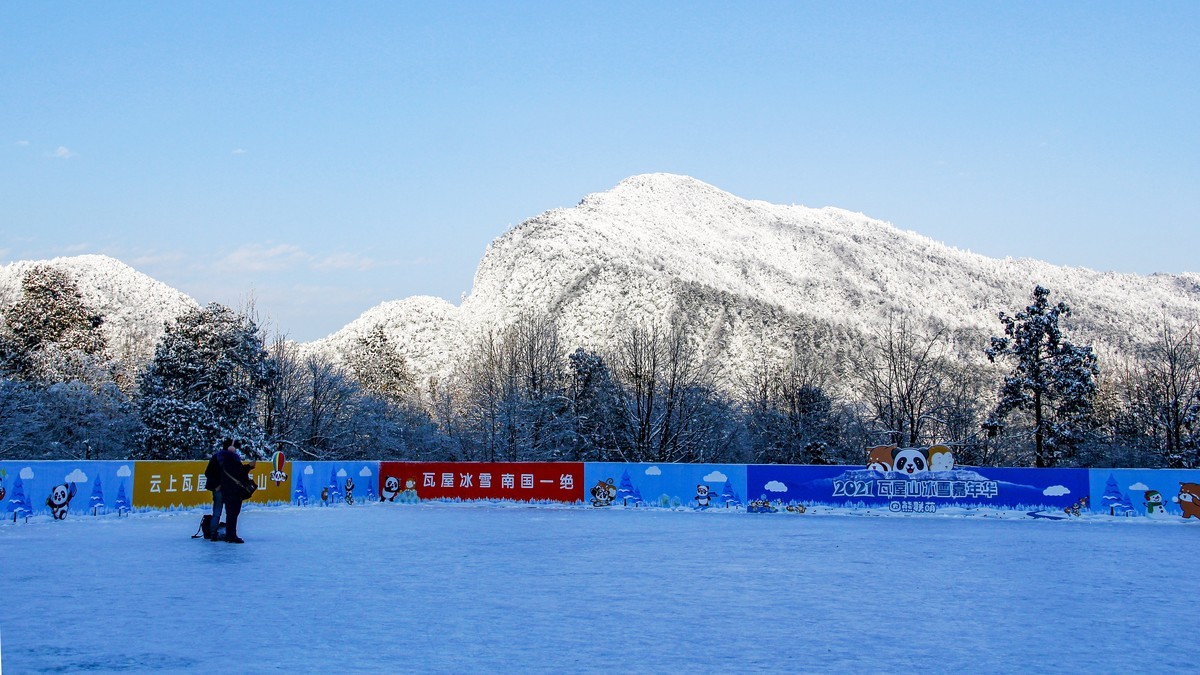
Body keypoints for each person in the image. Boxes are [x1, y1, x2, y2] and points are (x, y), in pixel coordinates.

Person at [215, 439, 255, 543]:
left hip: (227, 490)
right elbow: (239, 472)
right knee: (233, 513)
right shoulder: (231, 459)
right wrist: (249, 467)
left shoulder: (223, 459)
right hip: (234, 491)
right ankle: (231, 535)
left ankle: (230, 534)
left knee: (230, 513)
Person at [203, 439, 231, 540]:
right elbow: (208, 473)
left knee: (218, 512)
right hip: (222, 489)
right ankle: (217, 533)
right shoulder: (223, 458)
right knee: (220, 512)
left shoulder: (218, 457)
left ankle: (214, 533)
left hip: (225, 489)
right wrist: (217, 485)